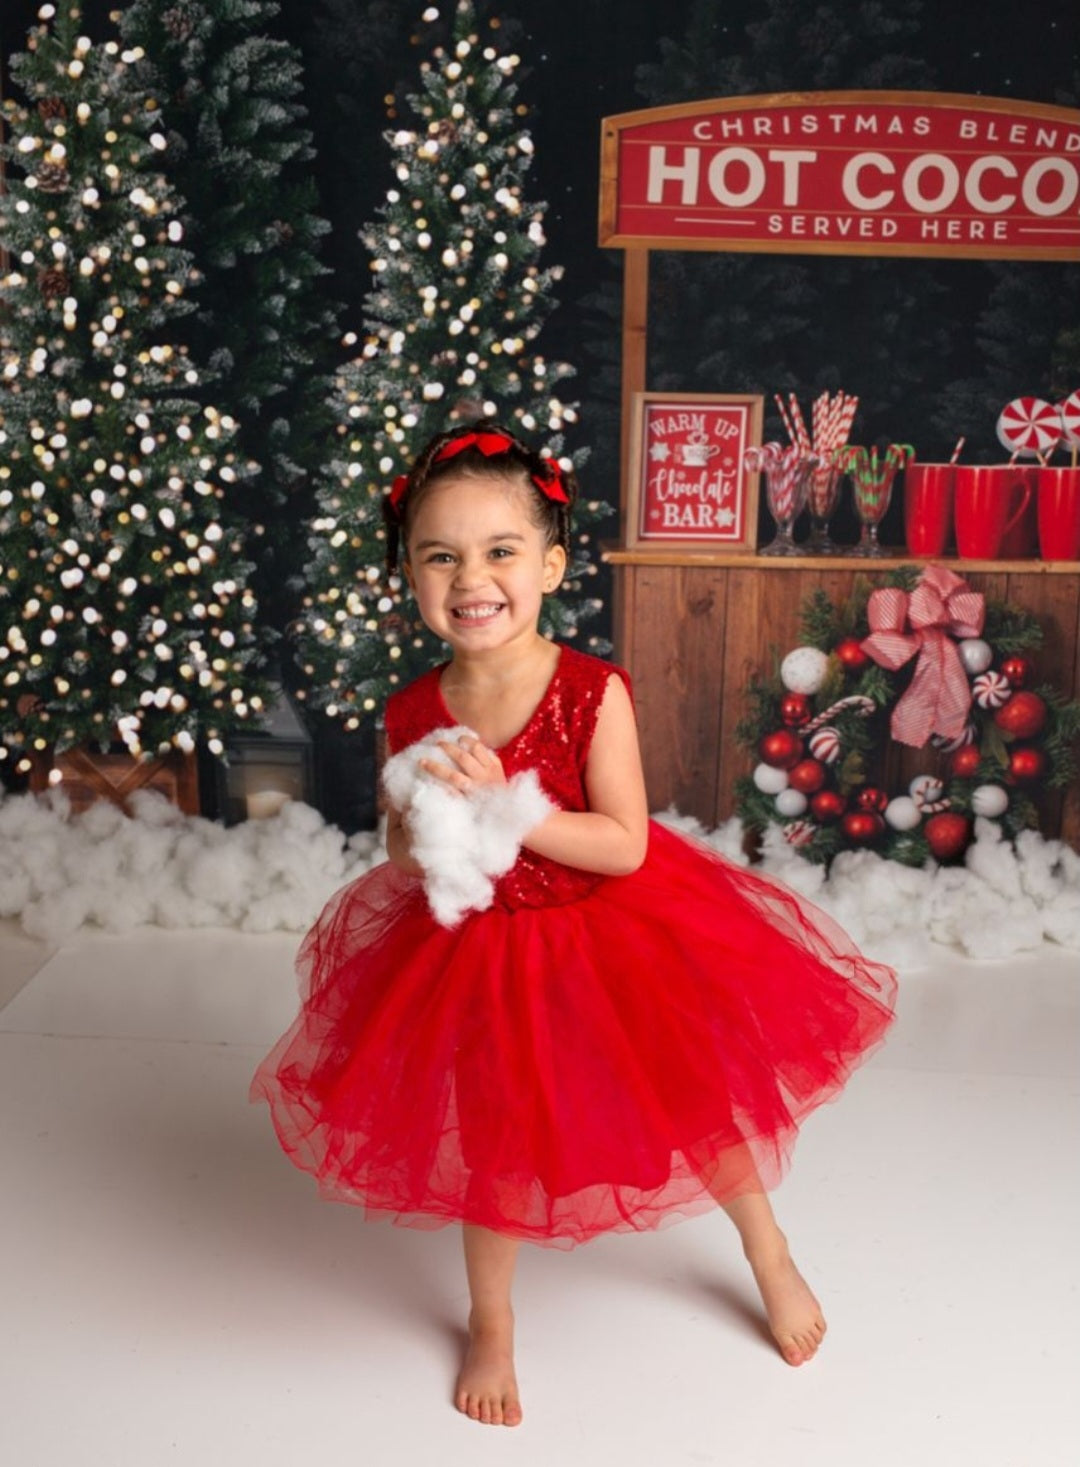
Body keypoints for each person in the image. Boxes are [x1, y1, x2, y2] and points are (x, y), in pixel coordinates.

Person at [250, 421, 896, 1429]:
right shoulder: (417, 706)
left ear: (549, 562)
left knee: (687, 1096)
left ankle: (769, 1255)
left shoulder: (591, 692)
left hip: (606, 934)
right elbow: (398, 848)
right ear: (409, 577)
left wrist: (516, 803)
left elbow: (626, 844)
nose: (473, 577)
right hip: (474, 953)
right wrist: (432, 834)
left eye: (501, 550)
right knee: (491, 1139)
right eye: (440, 556)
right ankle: (493, 1319)